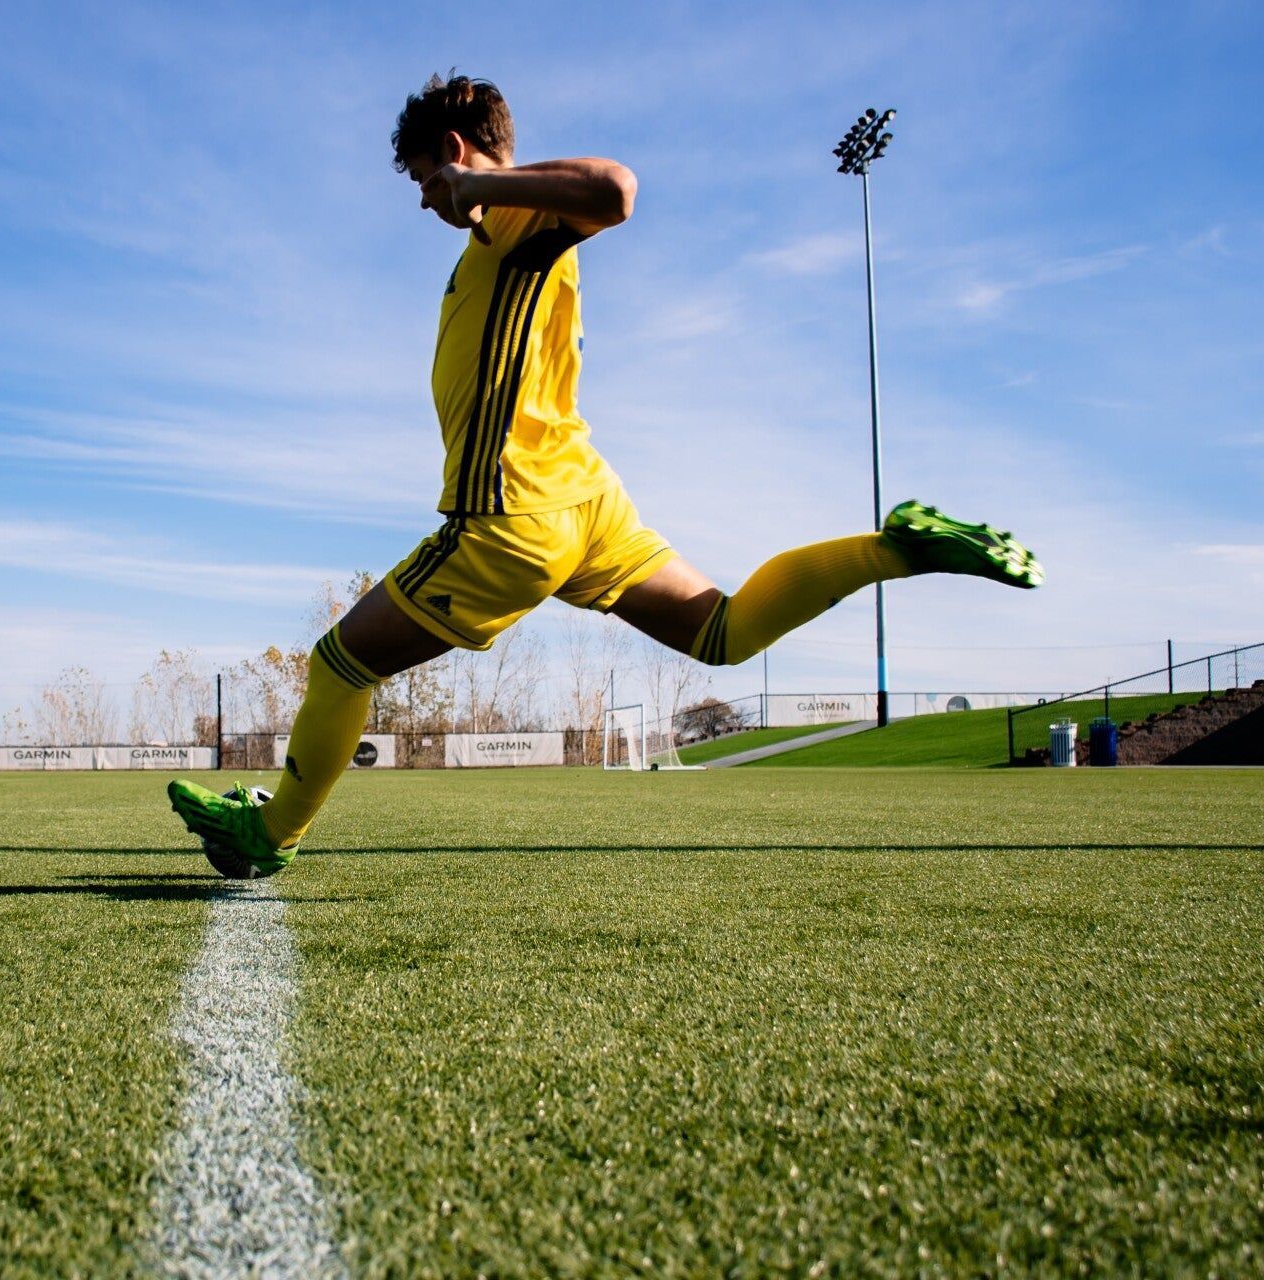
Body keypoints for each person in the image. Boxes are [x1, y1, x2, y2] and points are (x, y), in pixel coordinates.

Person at [169, 74, 1040, 874]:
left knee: (338, 664)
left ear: (455, 151)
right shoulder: (503, 236)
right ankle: (898, 549)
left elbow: (617, 190)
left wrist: (478, 189)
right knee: (722, 632)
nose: (424, 199)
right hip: (587, 500)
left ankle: (271, 835)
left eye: (423, 176)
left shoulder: (511, 217)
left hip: (513, 516)